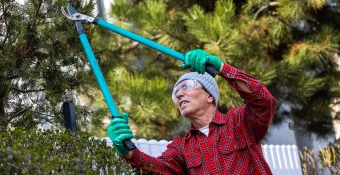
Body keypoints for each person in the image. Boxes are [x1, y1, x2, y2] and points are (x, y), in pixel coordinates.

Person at [107, 49, 277, 175]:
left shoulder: (240, 122)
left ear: (210, 96)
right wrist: (128, 152)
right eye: (176, 93)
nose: (180, 94)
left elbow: (263, 100)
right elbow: (159, 170)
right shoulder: (181, 147)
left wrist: (222, 67)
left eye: (186, 86)